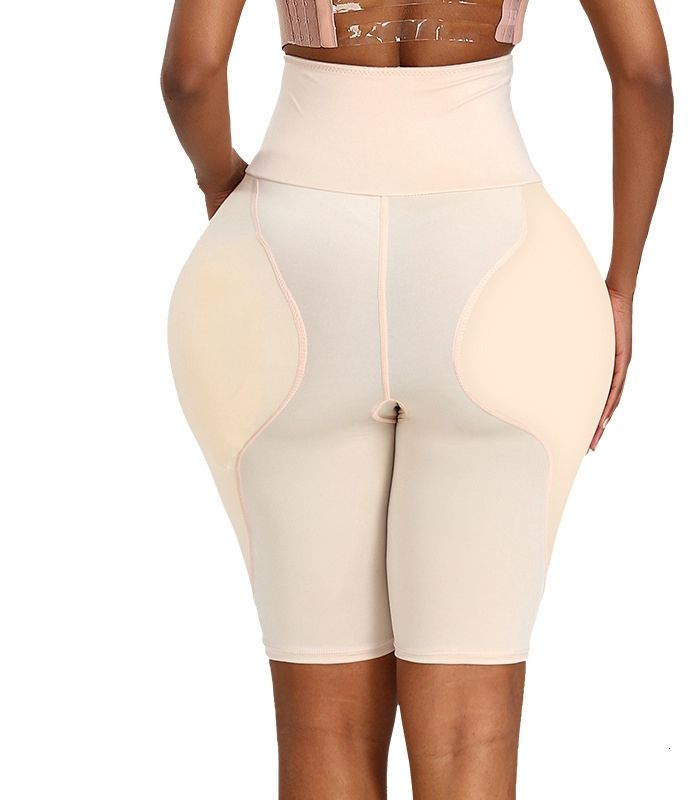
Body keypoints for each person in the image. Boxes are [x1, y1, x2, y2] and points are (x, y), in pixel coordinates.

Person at [160, 0, 672, 796]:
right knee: (472, 733)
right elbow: (644, 76)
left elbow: (191, 75)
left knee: (321, 723)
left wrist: (220, 181)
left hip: (290, 262)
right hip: (504, 270)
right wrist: (622, 285)